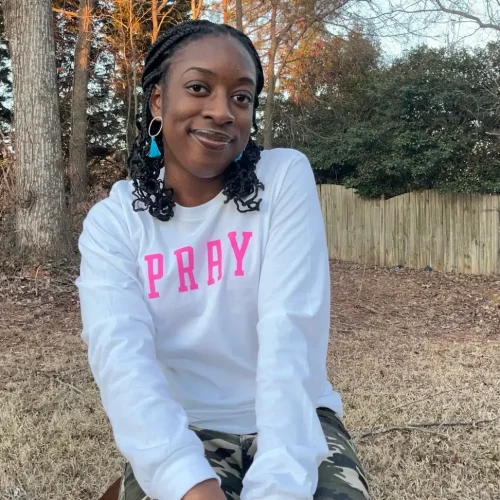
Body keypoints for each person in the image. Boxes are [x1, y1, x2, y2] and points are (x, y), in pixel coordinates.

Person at [76, 19, 369, 500]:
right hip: (186, 427)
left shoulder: (282, 180)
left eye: (241, 97)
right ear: (157, 101)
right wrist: (187, 481)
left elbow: (291, 333)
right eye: (198, 87)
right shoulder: (115, 224)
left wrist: (279, 483)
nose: (222, 111)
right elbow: (123, 364)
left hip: (292, 420)